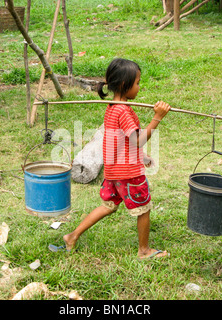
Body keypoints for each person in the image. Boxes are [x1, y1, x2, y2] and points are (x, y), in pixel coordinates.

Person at [49, 58, 170, 259]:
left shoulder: (113, 107)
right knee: (144, 209)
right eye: (138, 82)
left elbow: (123, 142)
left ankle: (72, 236)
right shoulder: (123, 111)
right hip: (128, 174)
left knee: (109, 206)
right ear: (125, 85)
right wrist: (157, 118)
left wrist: (142, 156)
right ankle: (144, 250)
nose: (139, 87)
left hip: (113, 172)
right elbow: (137, 140)